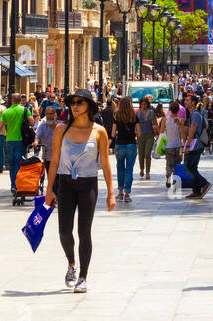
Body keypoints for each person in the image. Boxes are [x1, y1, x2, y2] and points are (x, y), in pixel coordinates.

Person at [45, 89, 115, 293]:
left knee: (84, 232)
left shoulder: (99, 131)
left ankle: (83, 277)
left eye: (79, 103)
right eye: (72, 103)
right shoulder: (62, 129)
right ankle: (72, 264)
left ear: (89, 107)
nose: (74, 106)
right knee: (64, 231)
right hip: (65, 184)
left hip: (88, 185)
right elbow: (54, 161)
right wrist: (49, 190)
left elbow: (105, 163)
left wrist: (111, 193)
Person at [183, 93, 211, 199]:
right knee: (193, 167)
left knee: (188, 167)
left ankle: (205, 183)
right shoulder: (194, 114)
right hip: (196, 144)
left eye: (187, 100)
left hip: (195, 145)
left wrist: (187, 146)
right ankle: (196, 191)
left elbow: (192, 131)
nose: (185, 102)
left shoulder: (194, 114)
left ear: (193, 102)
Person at [112, 96, 139, 202]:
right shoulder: (134, 116)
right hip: (131, 144)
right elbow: (139, 132)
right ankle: (127, 194)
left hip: (120, 144)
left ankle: (120, 192)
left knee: (120, 168)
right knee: (129, 170)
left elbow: (113, 134)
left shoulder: (116, 116)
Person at [2, 92, 29, 191]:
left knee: (12, 164)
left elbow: (0, 125)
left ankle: (13, 185)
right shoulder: (25, 110)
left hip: (9, 140)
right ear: (20, 100)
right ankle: (18, 184)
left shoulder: (6, 112)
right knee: (19, 163)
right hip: (21, 140)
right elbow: (32, 121)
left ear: (12, 100)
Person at [35, 104, 59, 185]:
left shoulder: (60, 125)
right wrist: (36, 141)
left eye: (51, 113)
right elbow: (37, 135)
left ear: (55, 114)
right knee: (51, 179)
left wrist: (55, 122)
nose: (49, 116)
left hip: (59, 157)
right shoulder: (42, 125)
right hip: (47, 157)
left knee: (58, 179)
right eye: (47, 114)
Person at [163, 99, 185, 188]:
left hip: (169, 145)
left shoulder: (165, 119)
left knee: (169, 164)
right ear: (178, 110)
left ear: (170, 109)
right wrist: (183, 146)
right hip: (177, 145)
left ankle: (168, 177)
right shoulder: (180, 120)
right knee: (177, 164)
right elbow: (182, 134)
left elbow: (161, 131)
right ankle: (175, 180)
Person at [136, 96, 155, 181]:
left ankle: (147, 172)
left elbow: (155, 123)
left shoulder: (151, 112)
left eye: (145, 104)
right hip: (140, 135)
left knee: (148, 153)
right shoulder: (137, 113)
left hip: (149, 135)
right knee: (141, 154)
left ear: (148, 105)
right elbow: (135, 124)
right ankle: (141, 169)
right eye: (142, 104)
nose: (144, 105)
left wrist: (157, 132)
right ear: (140, 105)